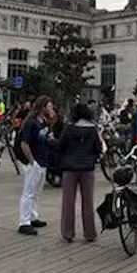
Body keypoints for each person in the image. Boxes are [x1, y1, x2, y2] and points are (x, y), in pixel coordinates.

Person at [50, 103, 103, 243]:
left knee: (68, 201)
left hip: (69, 168)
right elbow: (98, 148)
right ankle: (90, 233)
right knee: (88, 202)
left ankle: (68, 233)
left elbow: (61, 146)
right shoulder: (93, 130)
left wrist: (50, 141)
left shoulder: (69, 128)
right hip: (87, 169)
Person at [17, 96, 54, 236]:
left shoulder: (44, 122)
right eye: (48, 106)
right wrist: (32, 161)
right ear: (42, 107)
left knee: (37, 191)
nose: (51, 109)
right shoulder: (31, 123)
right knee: (28, 191)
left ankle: (33, 216)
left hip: (43, 159)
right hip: (34, 161)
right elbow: (24, 143)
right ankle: (24, 221)